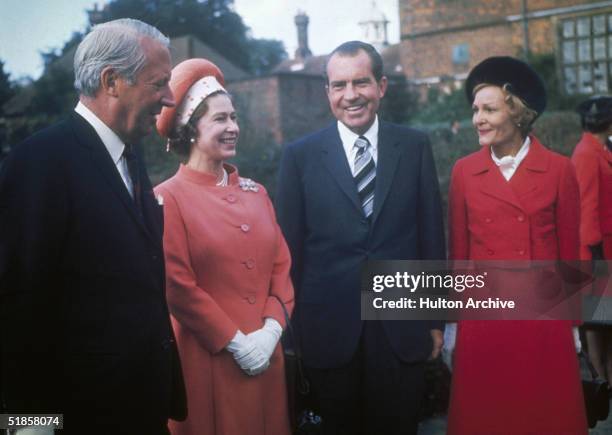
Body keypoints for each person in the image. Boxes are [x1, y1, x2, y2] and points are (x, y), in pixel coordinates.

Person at [0, 18, 186, 434]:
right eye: (159, 84)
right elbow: (15, 303)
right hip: (78, 416)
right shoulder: (38, 163)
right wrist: (28, 423)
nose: (169, 97)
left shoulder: (129, 156)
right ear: (112, 80)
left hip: (141, 405)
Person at [275, 40, 446, 435]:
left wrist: (435, 319)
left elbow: (430, 235)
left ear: (381, 86)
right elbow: (289, 252)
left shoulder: (415, 146)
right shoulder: (299, 157)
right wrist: (292, 330)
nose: (350, 95)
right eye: (339, 85)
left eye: (360, 83)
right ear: (328, 92)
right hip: (328, 331)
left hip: (402, 326)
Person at [446, 56, 587, 434]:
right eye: (476, 110)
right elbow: (459, 256)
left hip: (542, 322)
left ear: (518, 114)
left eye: (489, 109)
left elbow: (571, 252)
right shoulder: (463, 171)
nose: (478, 119)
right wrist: (454, 326)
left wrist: (573, 325)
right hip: (484, 321)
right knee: (488, 418)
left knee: (542, 418)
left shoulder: (559, 169)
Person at [154, 58, 294, 435]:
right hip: (208, 363)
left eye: (233, 117)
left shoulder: (257, 193)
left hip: (267, 359)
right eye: (219, 119)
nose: (233, 127)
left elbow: (281, 268)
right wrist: (236, 343)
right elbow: (177, 287)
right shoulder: (167, 199)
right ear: (189, 128)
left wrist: (270, 333)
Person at [572, 95, 612, 382]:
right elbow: (586, 208)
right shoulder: (587, 154)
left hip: (604, 249)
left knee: (603, 323)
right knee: (597, 324)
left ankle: (605, 380)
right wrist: (597, 259)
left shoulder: (600, 149)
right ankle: (601, 384)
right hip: (596, 252)